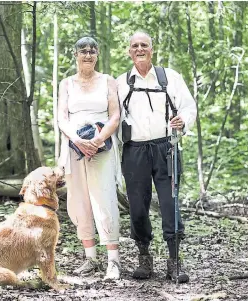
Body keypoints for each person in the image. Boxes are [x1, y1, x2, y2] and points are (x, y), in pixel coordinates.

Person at [117, 31, 197, 283]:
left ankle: (174, 262)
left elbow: (189, 106)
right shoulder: (120, 82)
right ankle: (144, 257)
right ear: (129, 51)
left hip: (167, 148)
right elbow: (110, 116)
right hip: (135, 151)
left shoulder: (170, 77)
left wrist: (183, 120)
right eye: (134, 46)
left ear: (152, 49)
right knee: (138, 207)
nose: (139, 49)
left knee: (170, 204)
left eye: (144, 45)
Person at [57, 37, 122, 280]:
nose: (88, 55)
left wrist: (97, 140)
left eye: (92, 51)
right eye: (83, 51)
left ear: (98, 55)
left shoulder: (108, 81)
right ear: (75, 54)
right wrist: (77, 139)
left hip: (101, 144)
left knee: (104, 198)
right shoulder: (66, 84)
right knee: (78, 200)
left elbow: (114, 116)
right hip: (74, 145)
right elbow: (62, 117)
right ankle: (90, 257)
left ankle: (113, 261)